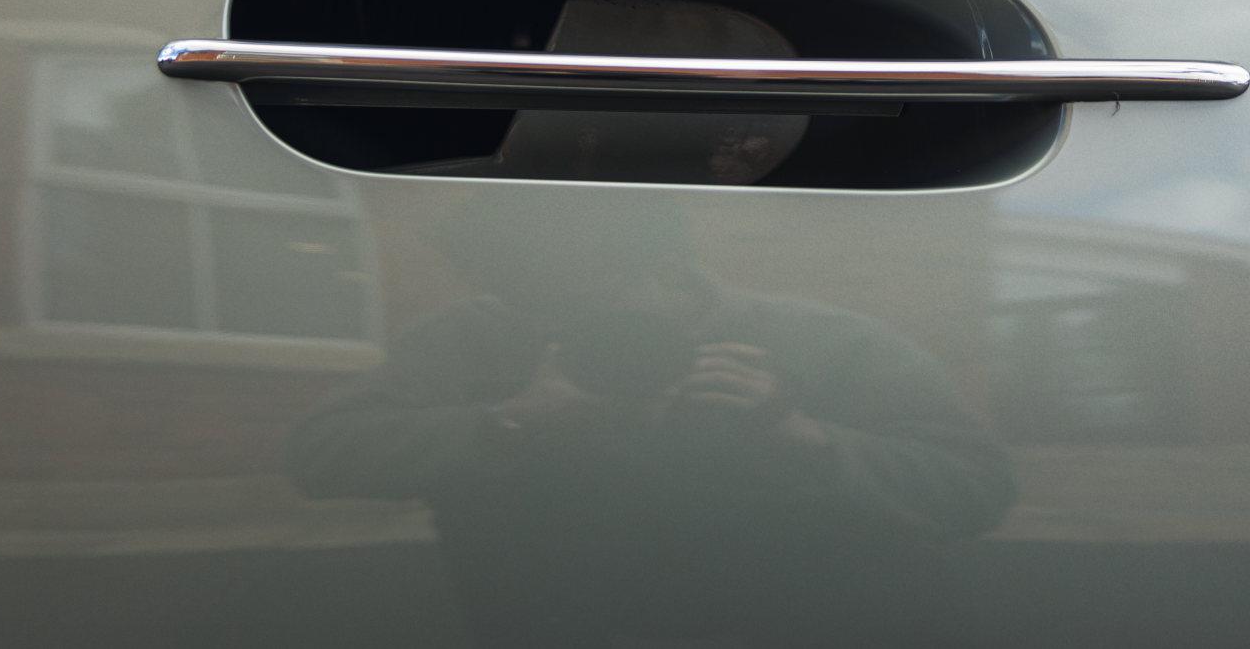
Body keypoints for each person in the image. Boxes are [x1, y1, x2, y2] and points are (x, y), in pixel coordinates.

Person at [287, 193, 1015, 647]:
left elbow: (977, 487)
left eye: (565, 303)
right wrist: (509, 421)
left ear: (666, 269)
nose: (549, 327)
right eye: (520, 302)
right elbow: (320, 455)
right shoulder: (471, 338)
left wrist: (801, 435)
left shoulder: (828, 343)